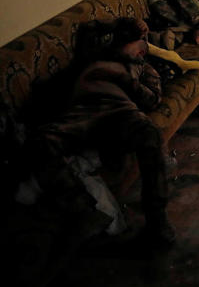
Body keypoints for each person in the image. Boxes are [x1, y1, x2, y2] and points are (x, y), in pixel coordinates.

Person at [35, 17, 174, 247]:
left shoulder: (142, 68)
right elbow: (88, 31)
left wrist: (123, 76)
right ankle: (85, 211)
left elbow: (153, 100)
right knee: (43, 142)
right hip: (83, 110)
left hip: (120, 110)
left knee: (150, 134)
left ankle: (158, 224)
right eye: (140, 40)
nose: (143, 47)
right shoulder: (95, 58)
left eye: (145, 42)